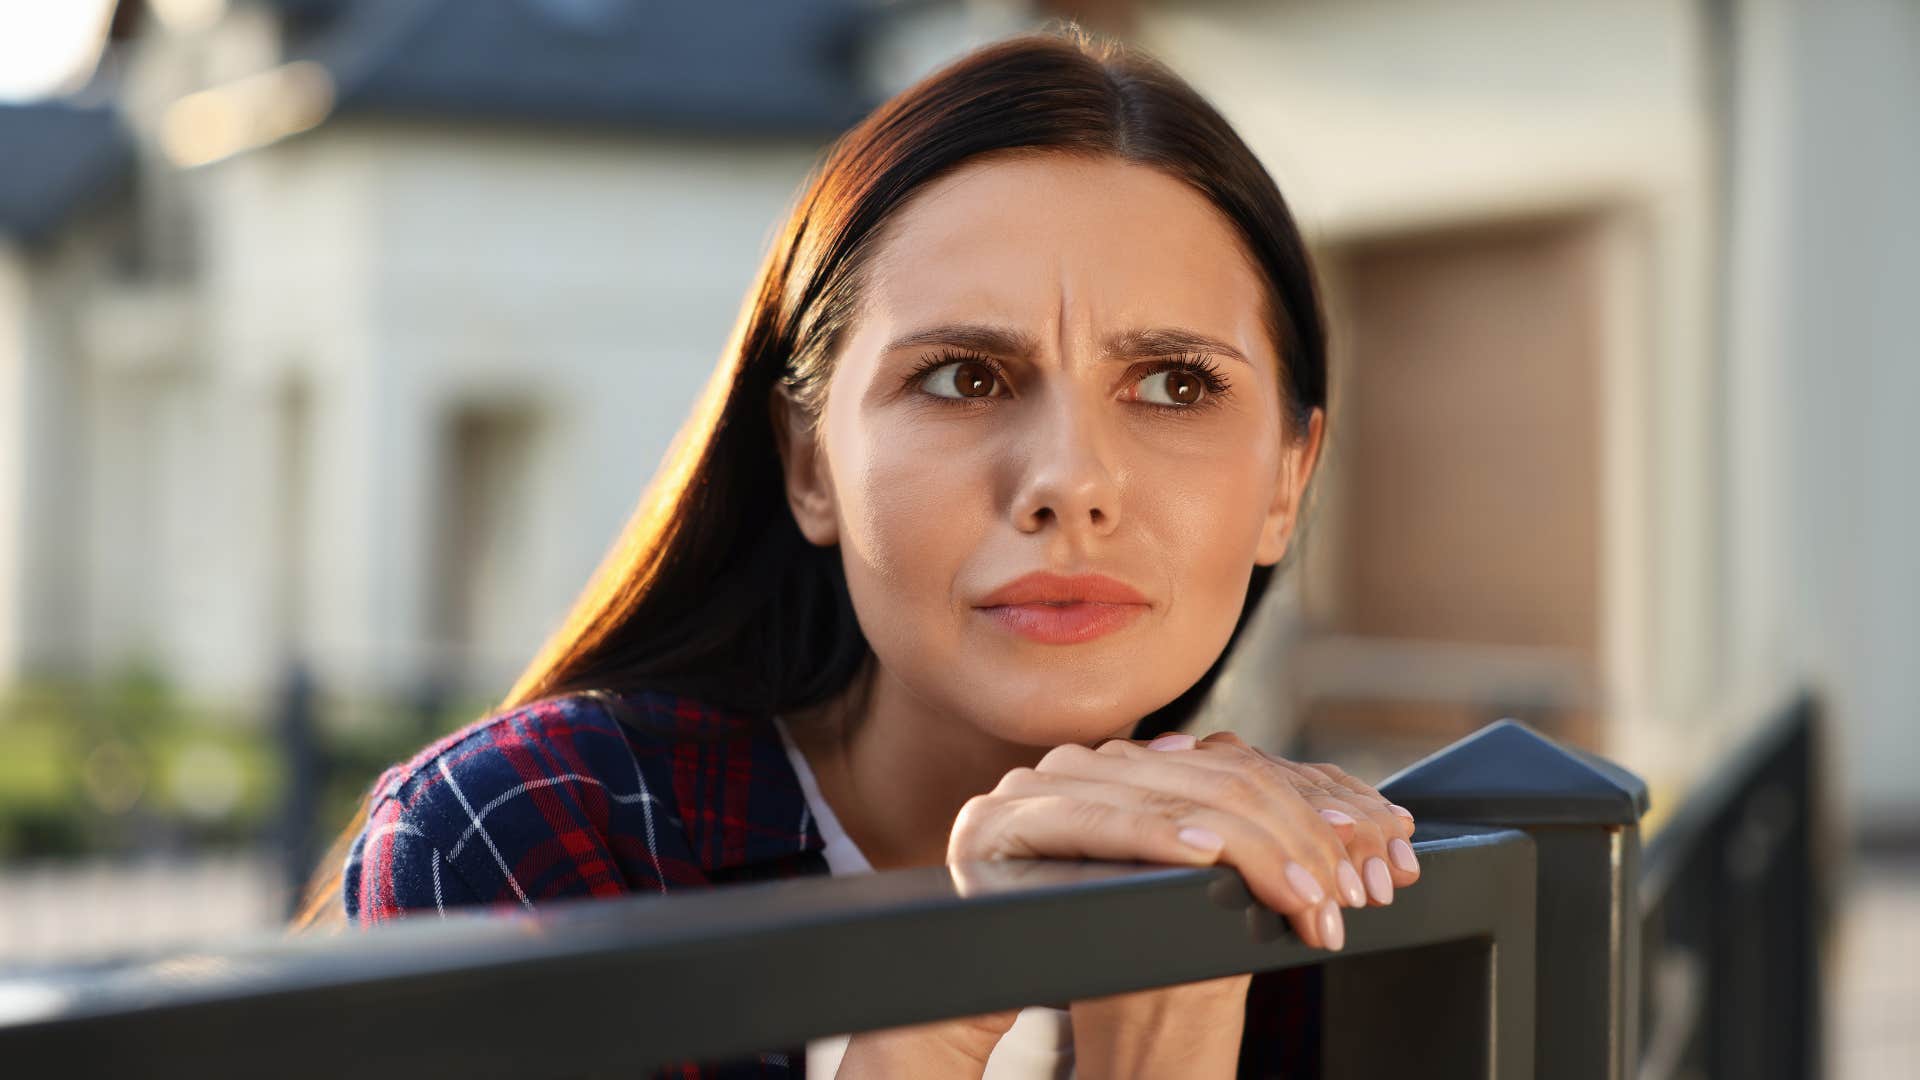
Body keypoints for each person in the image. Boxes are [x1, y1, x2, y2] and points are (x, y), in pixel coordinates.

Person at [288, 24, 1423, 1079]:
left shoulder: (1319, 908)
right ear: (809, 463)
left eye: (1175, 385)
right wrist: (939, 1001)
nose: (1070, 482)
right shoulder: (536, 843)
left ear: (1287, 480)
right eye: (962, 378)